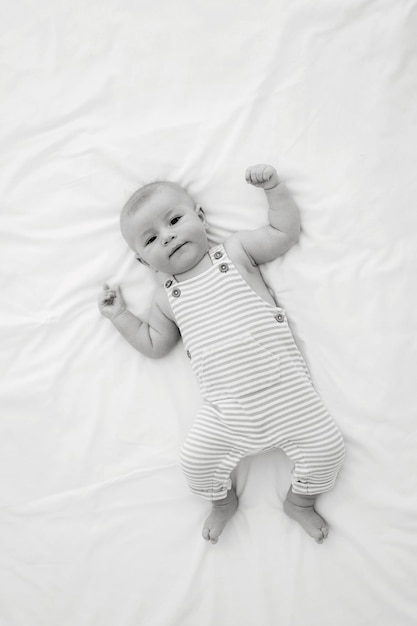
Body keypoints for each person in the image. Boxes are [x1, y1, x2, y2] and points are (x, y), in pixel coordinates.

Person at [98, 164, 345, 545]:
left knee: (328, 449)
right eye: (150, 240)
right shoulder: (166, 298)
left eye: (174, 220)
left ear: (200, 216)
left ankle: (300, 501)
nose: (167, 237)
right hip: (228, 414)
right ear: (145, 263)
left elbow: (284, 232)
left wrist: (274, 190)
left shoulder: (235, 253)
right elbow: (153, 344)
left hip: (290, 399)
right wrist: (120, 316)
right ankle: (222, 501)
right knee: (194, 463)